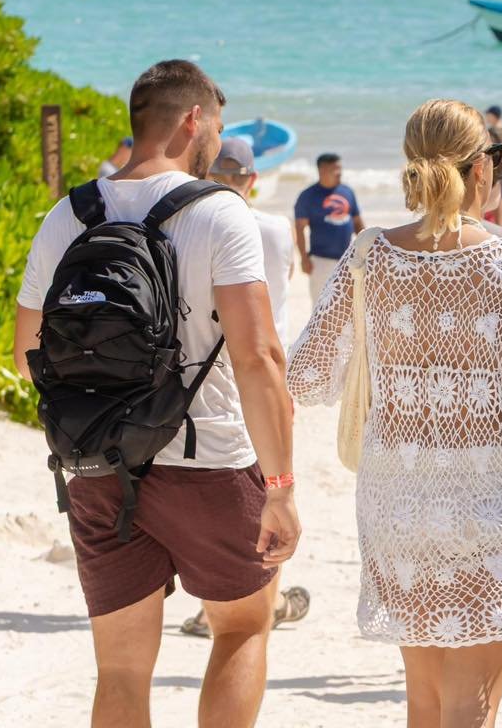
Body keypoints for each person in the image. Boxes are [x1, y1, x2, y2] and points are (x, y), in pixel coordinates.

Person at [13, 60, 301, 728]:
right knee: (242, 627)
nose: (216, 140)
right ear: (194, 120)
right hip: (208, 462)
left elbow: (28, 355)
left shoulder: (68, 214)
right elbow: (259, 359)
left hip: (97, 465)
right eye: (217, 126)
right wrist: (281, 487)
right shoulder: (220, 214)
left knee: (119, 669)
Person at [287, 99, 502, 728]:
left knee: (424, 704)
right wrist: (490, 400)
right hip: (492, 502)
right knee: (472, 708)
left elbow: (307, 378)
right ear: (482, 167)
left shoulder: (370, 256)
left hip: (397, 503)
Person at [172, 135, 309, 640]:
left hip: (210, 374)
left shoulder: (196, 224)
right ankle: (262, 602)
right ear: (253, 179)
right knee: (271, 490)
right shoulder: (273, 228)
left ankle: (213, 607)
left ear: (208, 176)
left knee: (220, 489)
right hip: (268, 372)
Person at [294, 153, 364, 306]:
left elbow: (358, 223)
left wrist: (366, 251)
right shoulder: (307, 196)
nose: (339, 173)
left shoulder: (347, 192)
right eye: (335, 169)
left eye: (340, 168)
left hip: (347, 260)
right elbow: (299, 229)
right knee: (320, 306)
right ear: (322, 170)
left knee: (347, 306)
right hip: (320, 262)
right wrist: (304, 258)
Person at [483, 106, 502, 225]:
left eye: (488, 115)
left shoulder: (489, 132)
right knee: (501, 219)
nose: (487, 117)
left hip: (494, 174)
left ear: (494, 115)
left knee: (489, 218)